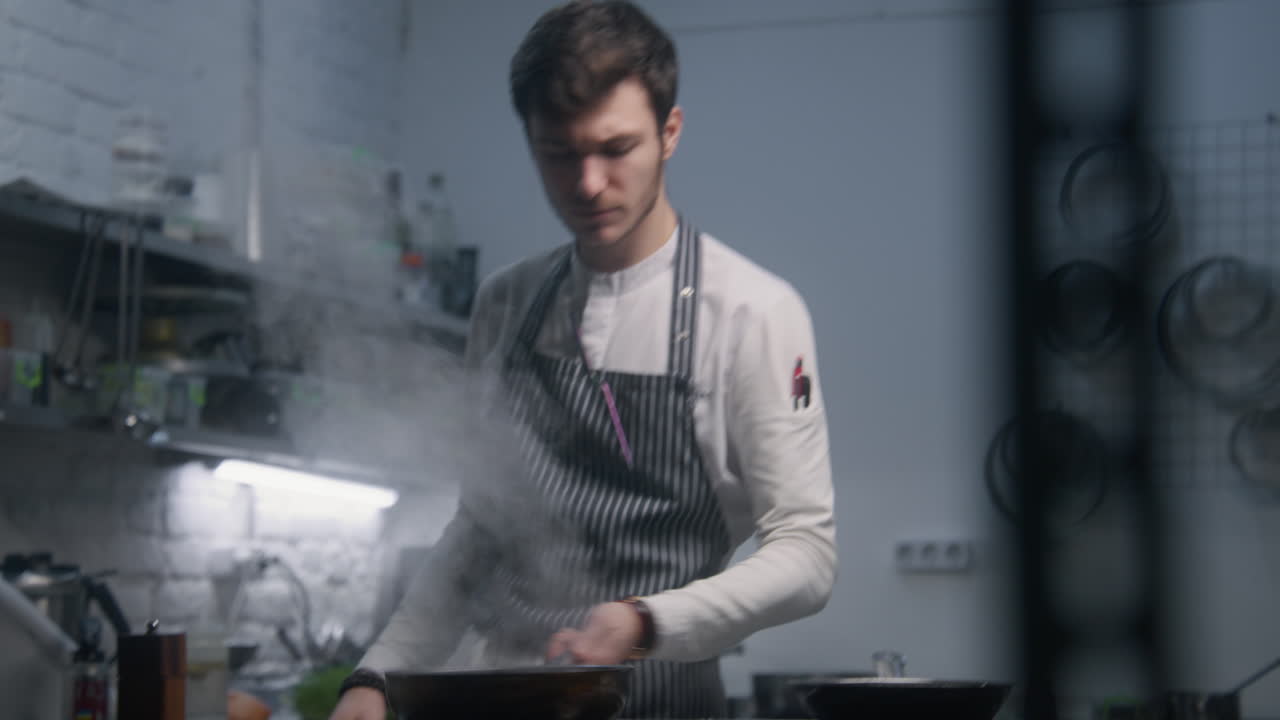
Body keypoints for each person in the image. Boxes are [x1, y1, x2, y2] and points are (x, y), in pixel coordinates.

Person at [329, 2, 836, 718]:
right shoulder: (507, 303)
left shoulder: (753, 313)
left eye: (615, 149)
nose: (588, 182)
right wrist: (374, 677)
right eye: (559, 154)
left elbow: (807, 556)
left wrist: (644, 621)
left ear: (670, 133)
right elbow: (479, 532)